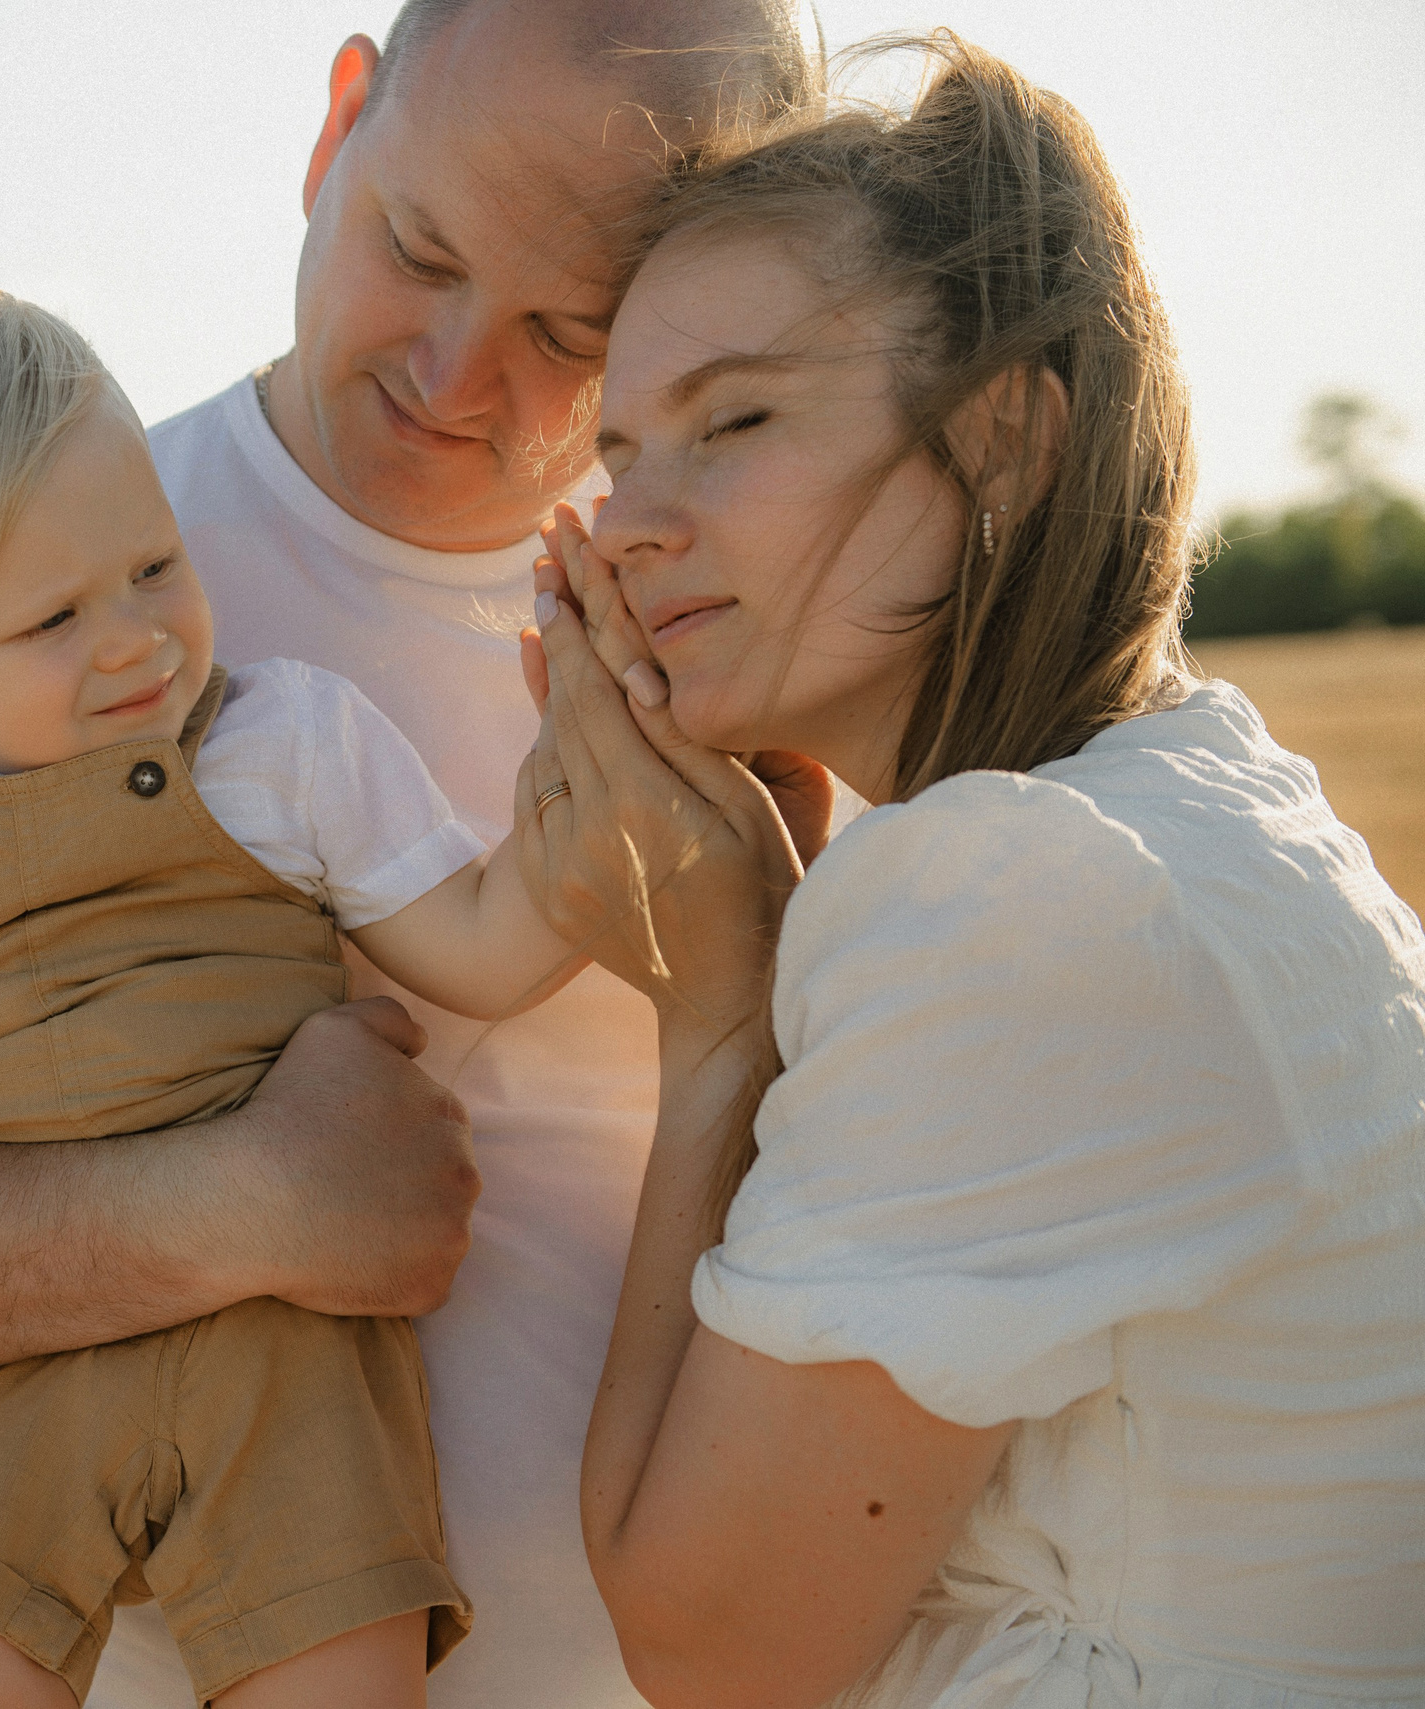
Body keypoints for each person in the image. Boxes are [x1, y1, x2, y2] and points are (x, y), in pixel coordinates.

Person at [0, 3, 807, 1700]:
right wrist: (237, 1208)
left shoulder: (769, 609)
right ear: (336, 129)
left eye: (569, 324)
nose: (454, 373)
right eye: (418, 247)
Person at [515, 35, 1425, 1706]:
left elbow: (712, 1646)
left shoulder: (1017, 899)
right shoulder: (1208, 799)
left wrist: (720, 1013)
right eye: (624, 448)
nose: (632, 520)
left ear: (1001, 441)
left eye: (736, 419)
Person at [0, 284, 617, 1706]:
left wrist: (597, 790)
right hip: (22, 1374)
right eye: (52, 617)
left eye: (155, 564)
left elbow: (479, 940)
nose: (137, 637)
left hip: (299, 1378)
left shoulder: (282, 740)